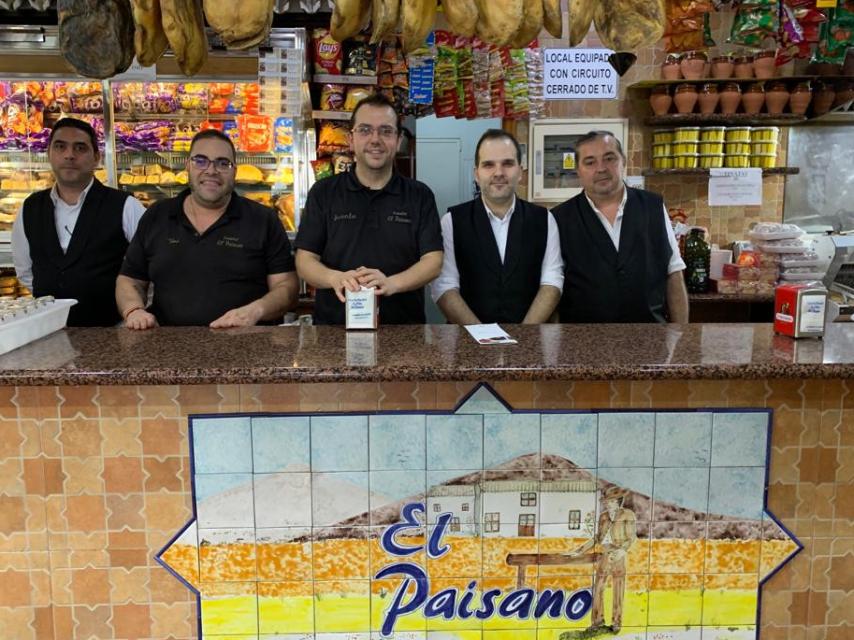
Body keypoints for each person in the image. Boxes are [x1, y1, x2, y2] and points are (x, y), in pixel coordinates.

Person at [116, 129, 298, 329]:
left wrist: (256, 310)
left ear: (234, 171)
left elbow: (286, 287)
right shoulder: (157, 215)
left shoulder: (263, 219)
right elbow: (129, 279)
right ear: (188, 165)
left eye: (222, 163)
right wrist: (134, 310)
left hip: (247, 347)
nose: (211, 170)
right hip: (168, 348)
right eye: (201, 161)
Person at [295, 94, 443, 325]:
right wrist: (336, 278)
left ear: (398, 139)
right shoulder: (323, 193)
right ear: (351, 139)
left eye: (386, 131)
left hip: (404, 332)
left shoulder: (419, 195)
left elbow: (433, 261)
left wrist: (392, 283)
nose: (376, 139)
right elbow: (304, 260)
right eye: (365, 130)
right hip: (334, 330)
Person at [12, 117, 146, 326]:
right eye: (60, 146)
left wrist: (131, 313)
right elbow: (25, 272)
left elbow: (149, 268)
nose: (69, 155)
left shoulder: (126, 206)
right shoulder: (30, 208)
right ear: (49, 154)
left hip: (111, 331)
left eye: (80, 148)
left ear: (96, 158)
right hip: (49, 331)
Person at [552, 131, 689, 323]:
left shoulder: (653, 207)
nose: (601, 168)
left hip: (651, 338)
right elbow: (552, 288)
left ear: (623, 161)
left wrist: (681, 335)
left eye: (609, 158)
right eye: (590, 162)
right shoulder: (559, 218)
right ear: (578, 171)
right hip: (584, 343)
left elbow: (673, 273)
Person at [432, 129, 563, 324]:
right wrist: (483, 336)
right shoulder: (452, 221)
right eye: (488, 165)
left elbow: (551, 281)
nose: (499, 172)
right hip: (467, 343)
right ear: (476, 173)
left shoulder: (544, 219)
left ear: (520, 171)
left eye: (508, 164)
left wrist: (525, 335)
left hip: (529, 341)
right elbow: (444, 286)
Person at [569, 486, 637, 634]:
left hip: (618, 554)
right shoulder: (604, 517)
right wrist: (580, 550)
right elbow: (597, 537)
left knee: (618, 589)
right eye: (606, 501)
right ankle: (597, 622)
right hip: (605, 554)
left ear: (618, 501)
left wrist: (622, 550)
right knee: (598, 587)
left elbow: (631, 537)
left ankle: (616, 622)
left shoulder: (628, 515)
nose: (608, 504)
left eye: (611, 501)